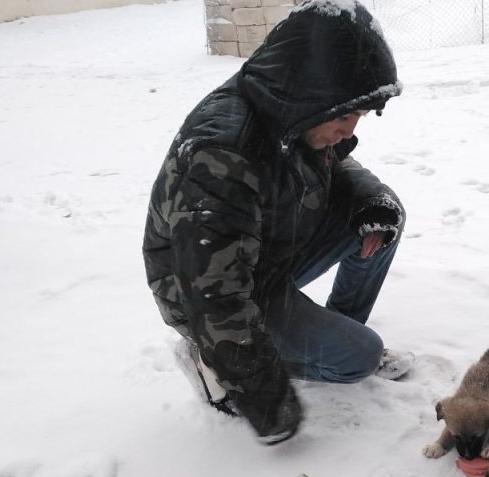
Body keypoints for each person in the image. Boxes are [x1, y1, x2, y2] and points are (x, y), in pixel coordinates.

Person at [142, 0, 412, 445]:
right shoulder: (223, 154)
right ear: (313, 93)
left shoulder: (293, 110)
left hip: (265, 251)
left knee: (379, 219)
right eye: (345, 115)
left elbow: (331, 166)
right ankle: (212, 362)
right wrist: (267, 402)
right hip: (204, 292)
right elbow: (216, 296)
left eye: (358, 117)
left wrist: (369, 202)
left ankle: (332, 333)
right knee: (360, 359)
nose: (349, 129)